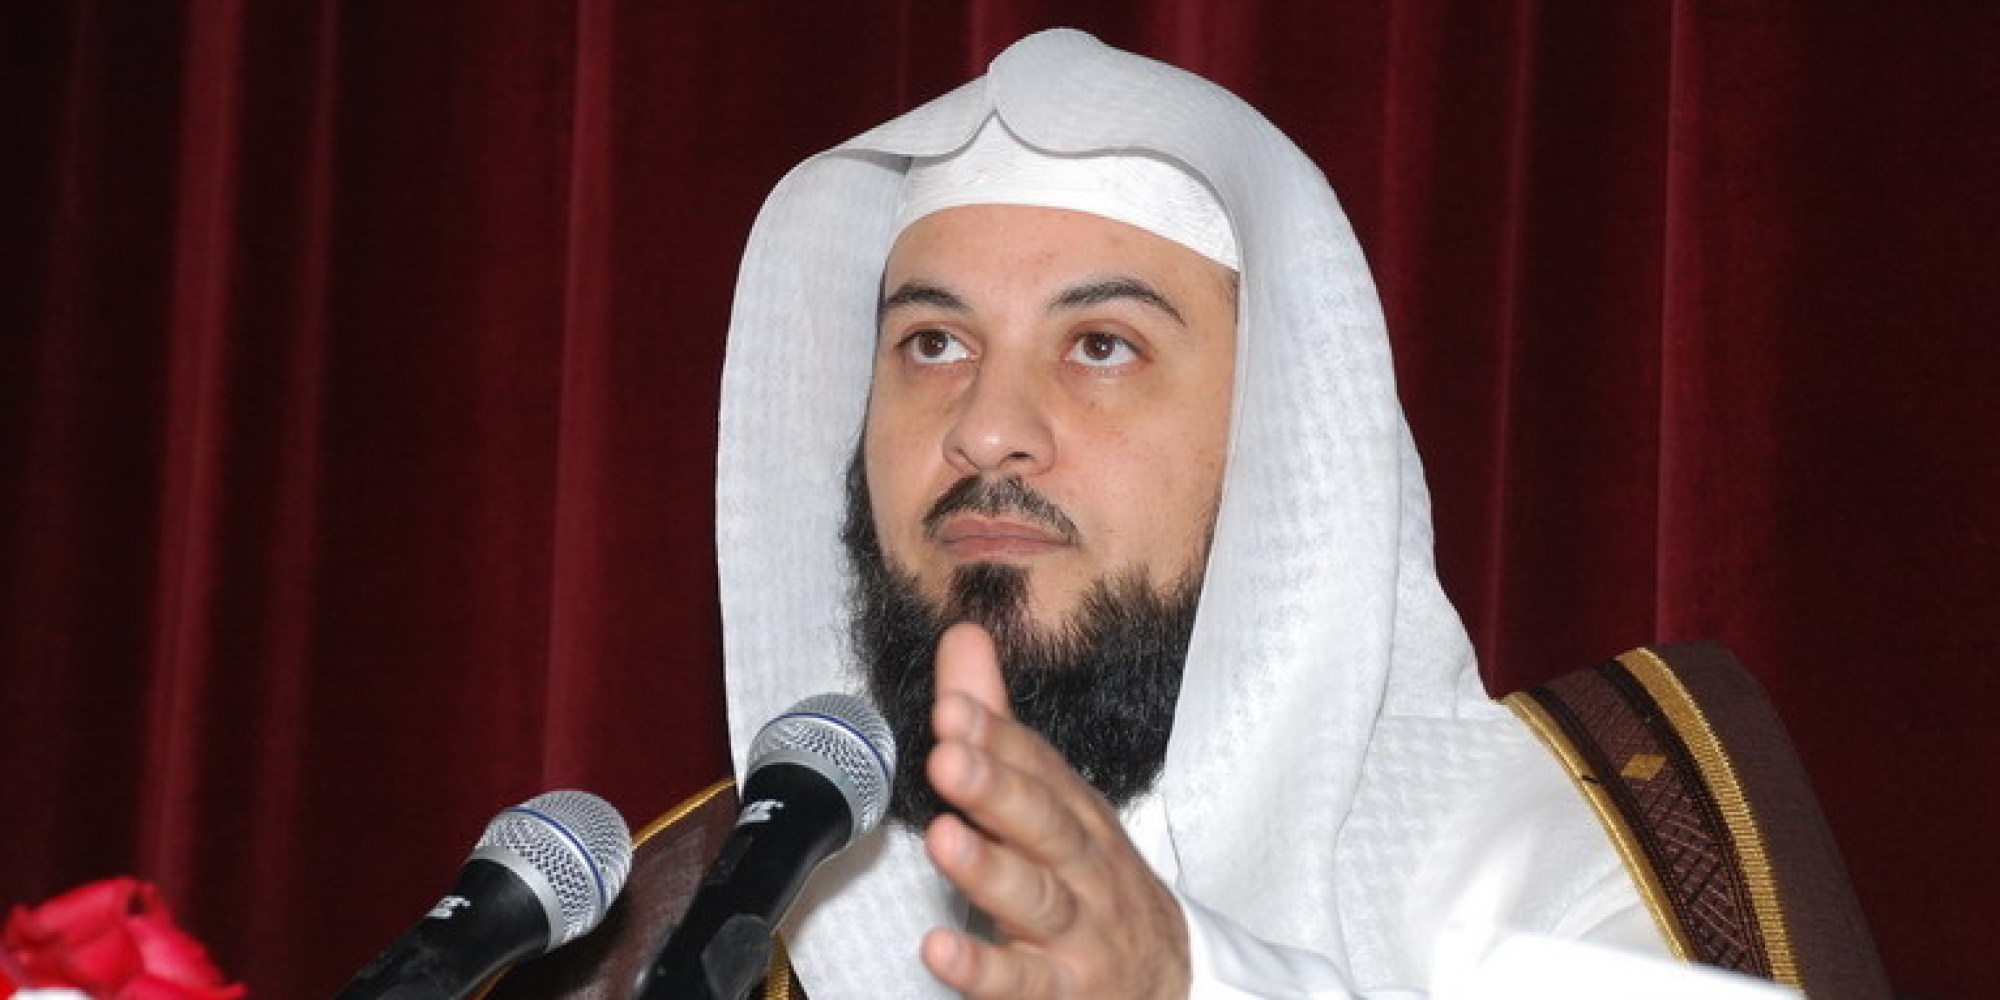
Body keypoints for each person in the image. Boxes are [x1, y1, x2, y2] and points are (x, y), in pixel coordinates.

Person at [712, 29, 1800, 998]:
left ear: (1280, 439)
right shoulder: (724, 920)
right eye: (934, 343)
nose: (987, 430)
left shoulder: (1546, 862)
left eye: (1101, 345)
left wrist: (1183, 985)